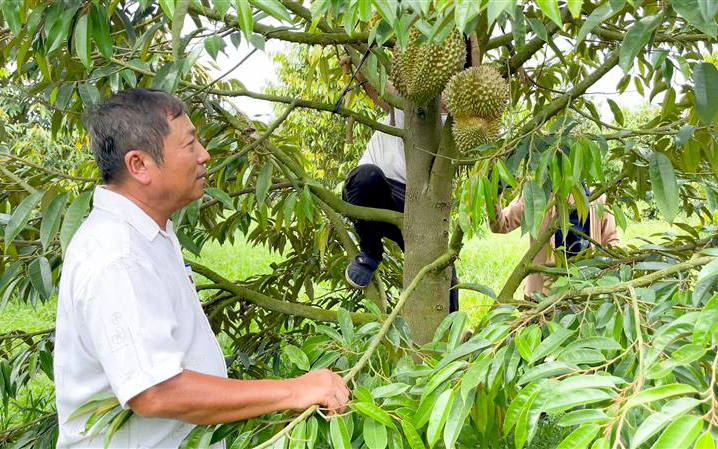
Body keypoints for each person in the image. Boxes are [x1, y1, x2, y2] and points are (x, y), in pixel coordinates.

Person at [54, 89, 349, 448]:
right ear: (139, 165)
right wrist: (292, 391)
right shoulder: (118, 257)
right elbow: (157, 392)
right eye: (190, 144)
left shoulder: (149, 233)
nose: (204, 156)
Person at [489, 183, 620, 299]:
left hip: (585, 292)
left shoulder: (597, 199)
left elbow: (611, 243)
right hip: (541, 295)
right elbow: (502, 224)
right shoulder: (536, 195)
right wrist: (495, 192)